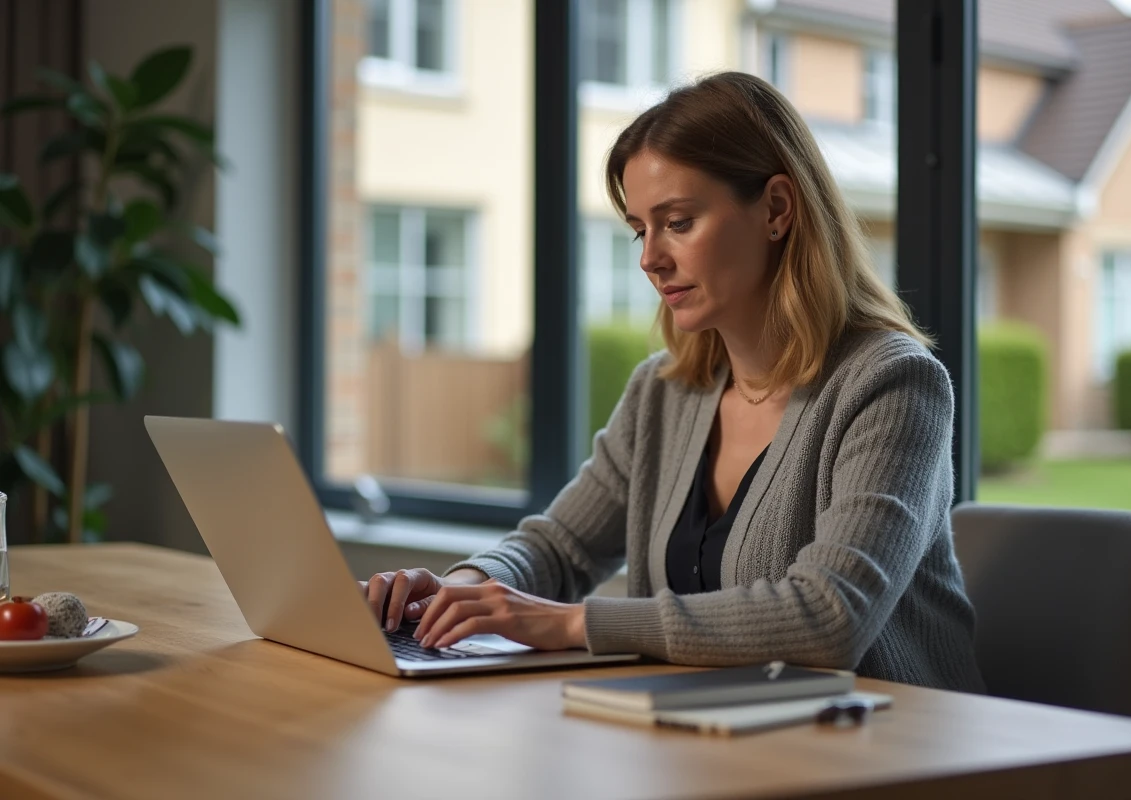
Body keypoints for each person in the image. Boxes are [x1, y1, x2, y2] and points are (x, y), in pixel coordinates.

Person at [362, 71, 986, 692]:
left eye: (679, 222)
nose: (649, 258)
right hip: (712, 729)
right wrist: (459, 590)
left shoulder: (894, 385)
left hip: (886, 736)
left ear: (776, 209)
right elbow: (561, 547)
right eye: (641, 229)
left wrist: (573, 623)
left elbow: (830, 616)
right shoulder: (664, 392)